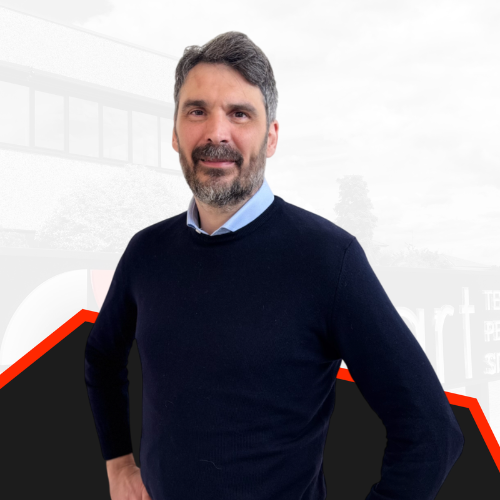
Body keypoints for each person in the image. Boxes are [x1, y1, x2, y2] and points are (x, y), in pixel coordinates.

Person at [84, 31, 464, 500]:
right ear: (175, 133)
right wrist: (118, 464)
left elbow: (431, 433)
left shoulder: (328, 259)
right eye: (197, 111)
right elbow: (102, 356)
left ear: (272, 137)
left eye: (239, 114)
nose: (216, 133)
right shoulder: (146, 252)